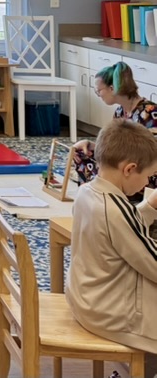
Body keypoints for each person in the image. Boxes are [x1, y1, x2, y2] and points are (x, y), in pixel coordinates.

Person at [66, 119, 157, 359]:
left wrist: (149, 205)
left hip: (85, 300)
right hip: (112, 315)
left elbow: (120, 230)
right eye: (148, 176)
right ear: (129, 169)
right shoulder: (117, 209)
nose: (147, 183)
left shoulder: (88, 192)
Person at [69, 62, 157, 194]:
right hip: (126, 165)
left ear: (111, 88)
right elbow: (116, 147)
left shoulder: (150, 112)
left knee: (109, 171)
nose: (99, 95)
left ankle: (109, 194)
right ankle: (95, 195)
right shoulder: (120, 112)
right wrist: (91, 146)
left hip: (144, 170)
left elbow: (151, 156)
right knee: (83, 155)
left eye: (99, 91)